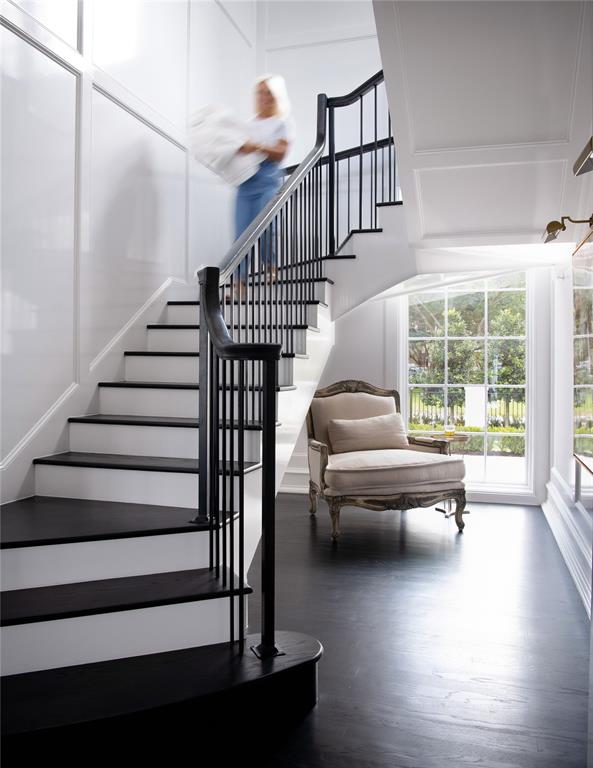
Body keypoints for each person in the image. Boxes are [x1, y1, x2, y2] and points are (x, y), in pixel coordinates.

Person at [231, 74, 294, 299]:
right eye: (260, 92)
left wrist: (255, 146)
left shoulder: (281, 124)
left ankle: (271, 267)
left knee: (268, 228)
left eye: (269, 93)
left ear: (276, 97)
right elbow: (236, 152)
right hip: (245, 183)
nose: (264, 97)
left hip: (268, 179)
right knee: (240, 234)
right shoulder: (246, 125)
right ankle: (239, 285)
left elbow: (280, 154)